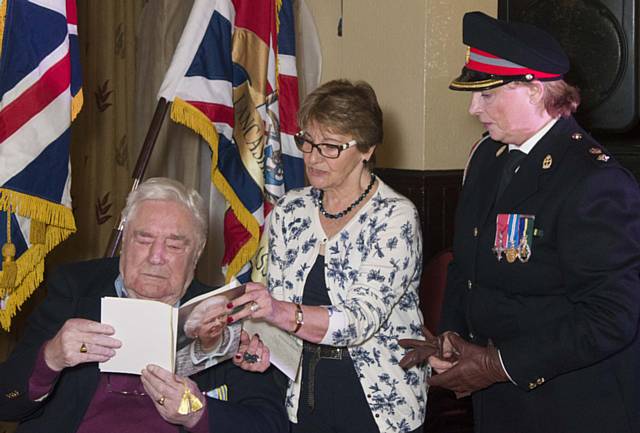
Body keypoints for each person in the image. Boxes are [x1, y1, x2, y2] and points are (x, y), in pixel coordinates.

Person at [401, 11, 640, 433]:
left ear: (533, 91)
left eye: (487, 95)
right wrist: (454, 338)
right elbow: (465, 268)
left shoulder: (593, 182)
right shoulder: (486, 160)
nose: (474, 108)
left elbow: (611, 317)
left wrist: (497, 364)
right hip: (499, 404)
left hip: (572, 407)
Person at [0, 177, 287, 433]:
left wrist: (197, 414)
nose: (156, 256)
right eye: (144, 238)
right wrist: (51, 358)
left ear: (197, 252)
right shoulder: (75, 288)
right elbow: (6, 402)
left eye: (174, 245)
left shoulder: (221, 312)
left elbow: (269, 424)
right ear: (125, 239)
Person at [229, 79, 427, 433]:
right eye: (306, 141)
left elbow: (358, 320)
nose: (313, 157)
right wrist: (262, 345)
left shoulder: (395, 216)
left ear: (367, 149)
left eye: (331, 147)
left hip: (377, 396)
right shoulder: (290, 209)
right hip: (304, 389)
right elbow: (277, 302)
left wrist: (278, 311)